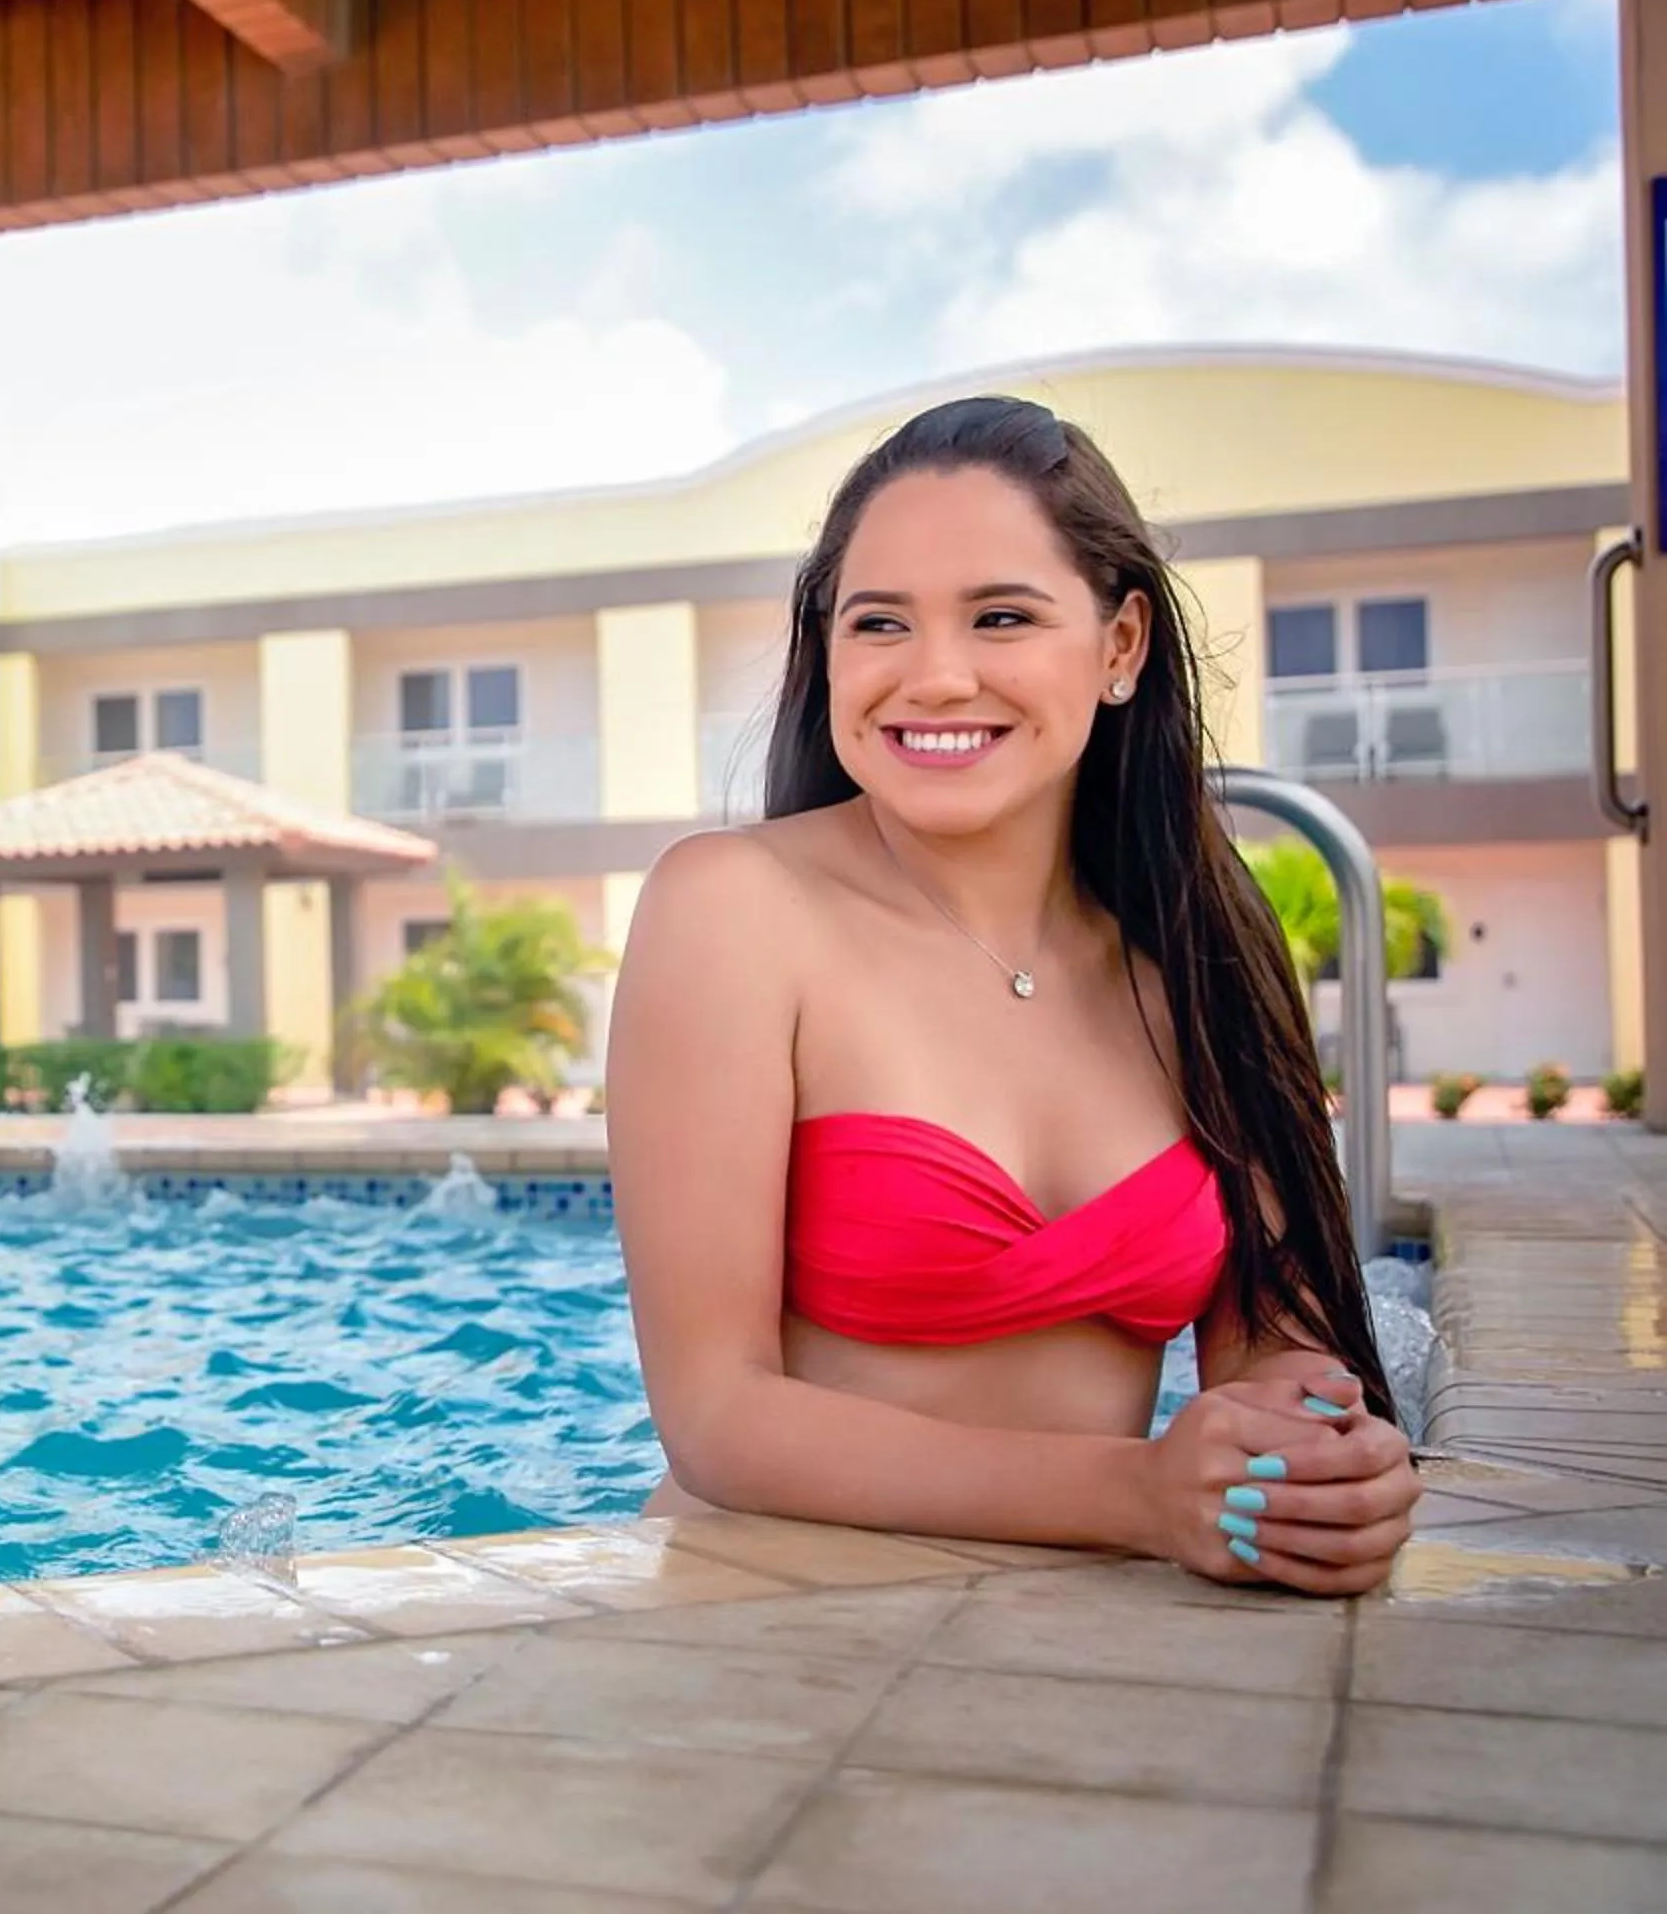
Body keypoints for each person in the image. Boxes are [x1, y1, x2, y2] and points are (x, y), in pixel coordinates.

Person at [605, 395, 1420, 1597]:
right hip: (759, 1620)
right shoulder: (732, 908)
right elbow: (718, 1415)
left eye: (1001, 616)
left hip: (1069, 1626)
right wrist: (1138, 1494)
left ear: (1121, 644)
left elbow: (1271, 1342)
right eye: (880, 622)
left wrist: (1312, 1457)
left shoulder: (1202, 951)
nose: (936, 677)